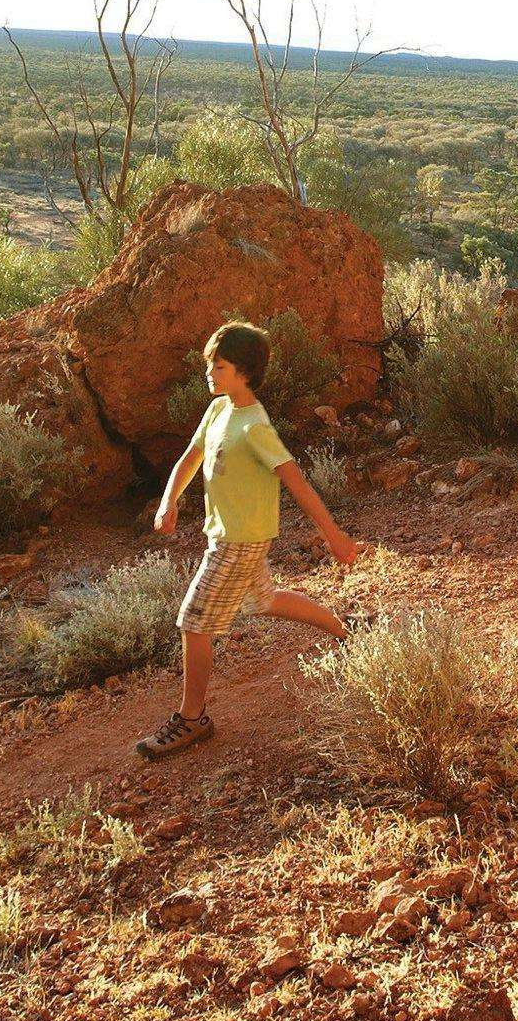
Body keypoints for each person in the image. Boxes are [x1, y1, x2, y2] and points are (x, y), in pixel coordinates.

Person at [136, 319, 368, 760]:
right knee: (263, 599)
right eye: (210, 365)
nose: (209, 373)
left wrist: (333, 535)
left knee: (193, 621)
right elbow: (191, 457)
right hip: (226, 535)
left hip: (239, 541)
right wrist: (169, 501)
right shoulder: (218, 410)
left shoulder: (254, 426)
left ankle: (191, 719)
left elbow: (296, 482)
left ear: (243, 372)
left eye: (218, 366)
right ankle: (344, 628)